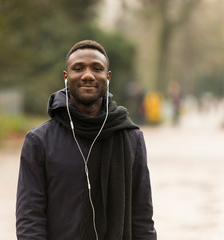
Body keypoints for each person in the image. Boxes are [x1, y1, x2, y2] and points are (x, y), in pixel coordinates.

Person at [16, 40, 157, 240]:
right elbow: (29, 217)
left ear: (107, 77)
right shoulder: (39, 141)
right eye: (78, 68)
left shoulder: (131, 138)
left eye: (97, 69)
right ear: (66, 76)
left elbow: (142, 216)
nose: (88, 75)